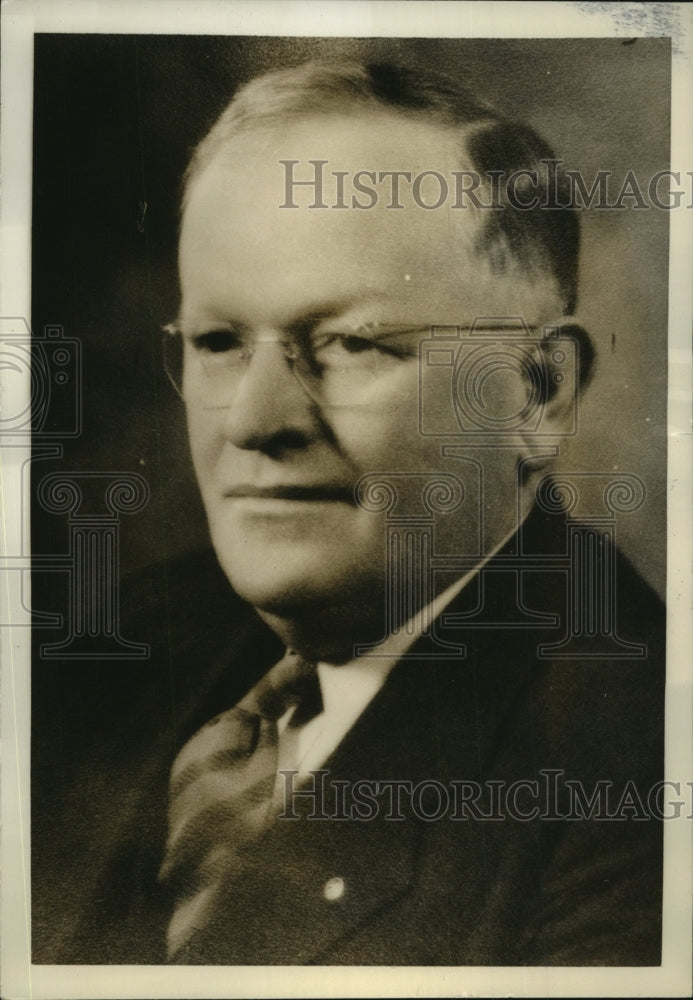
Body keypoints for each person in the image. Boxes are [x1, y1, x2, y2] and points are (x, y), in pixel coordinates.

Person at [31, 60, 664, 967]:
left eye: (348, 344)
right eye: (216, 343)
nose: (252, 421)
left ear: (535, 393)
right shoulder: (98, 654)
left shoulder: (635, 772)